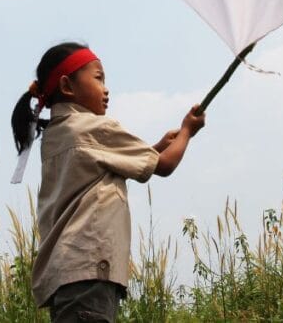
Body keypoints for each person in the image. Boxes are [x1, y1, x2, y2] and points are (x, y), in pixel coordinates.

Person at [11, 41, 206, 322]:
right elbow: (164, 166)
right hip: (89, 268)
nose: (106, 88)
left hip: (67, 272)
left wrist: (156, 146)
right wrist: (188, 131)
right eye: (98, 77)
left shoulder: (57, 133)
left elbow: (105, 164)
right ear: (67, 86)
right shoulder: (95, 128)